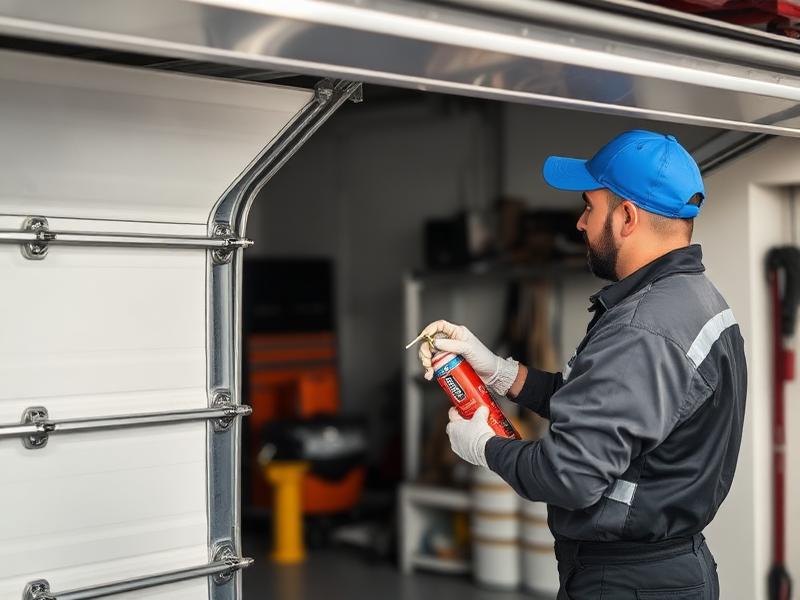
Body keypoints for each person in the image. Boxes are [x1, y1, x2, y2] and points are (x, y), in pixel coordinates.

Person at [417, 130, 746, 599]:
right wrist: (501, 373)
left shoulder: (644, 328)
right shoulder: (694, 299)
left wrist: (484, 447)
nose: (579, 223)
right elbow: (608, 412)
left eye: (590, 207)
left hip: (630, 582)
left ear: (627, 217)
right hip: (663, 571)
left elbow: (568, 476)